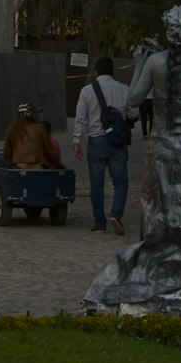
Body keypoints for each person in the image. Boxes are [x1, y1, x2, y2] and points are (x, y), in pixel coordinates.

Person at [81, 4, 181, 317]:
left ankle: (155, 263)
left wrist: (138, 64)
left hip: (159, 146)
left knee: (158, 206)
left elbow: (134, 100)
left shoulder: (153, 62)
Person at [72, 56, 136, 234]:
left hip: (96, 141)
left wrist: (77, 141)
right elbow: (133, 113)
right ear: (113, 71)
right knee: (121, 181)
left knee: (97, 183)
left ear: (95, 71)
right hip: (117, 141)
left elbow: (80, 118)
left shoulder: (87, 91)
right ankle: (116, 213)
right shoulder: (124, 89)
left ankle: (99, 222)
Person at [3, 103, 61, 169]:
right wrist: (61, 167)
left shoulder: (12, 129)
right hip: (38, 167)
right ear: (33, 116)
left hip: (19, 167)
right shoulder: (40, 128)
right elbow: (50, 152)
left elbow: (7, 153)